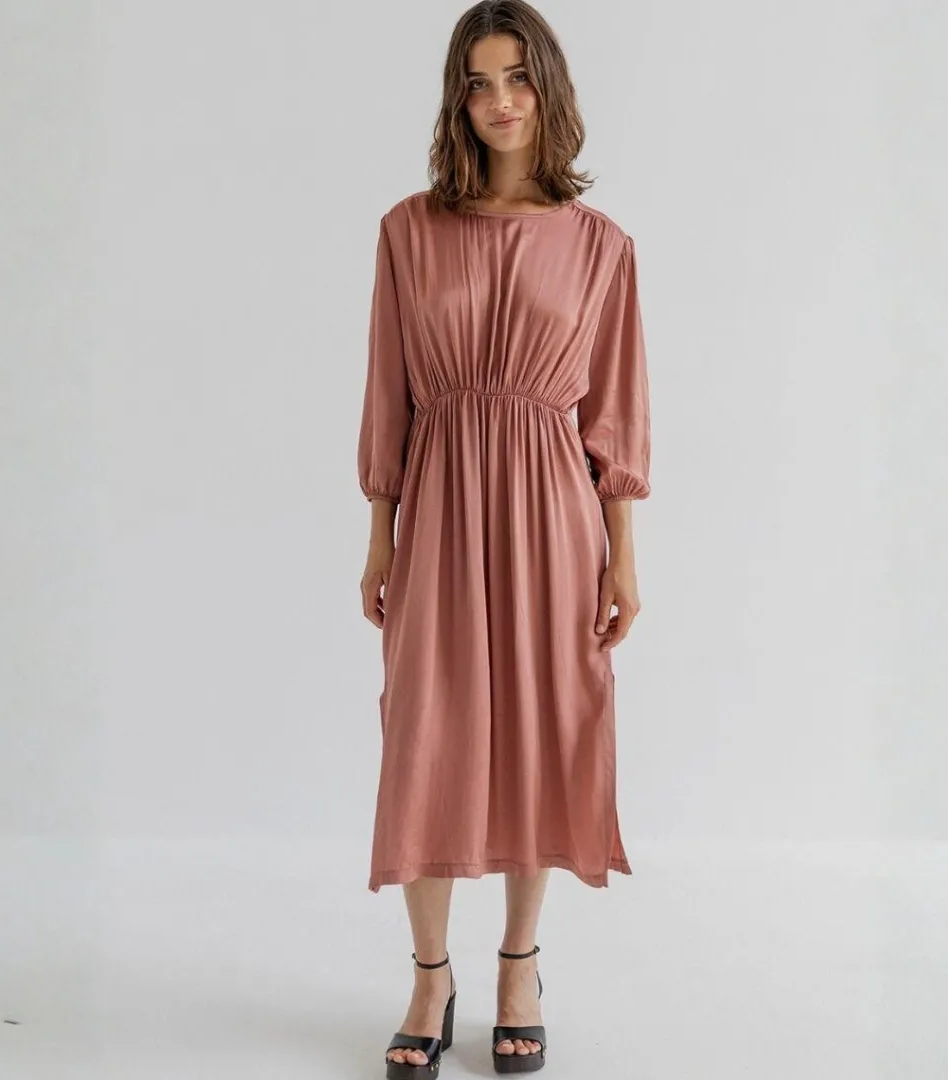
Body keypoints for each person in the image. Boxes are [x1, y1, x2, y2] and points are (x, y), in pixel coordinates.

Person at [356, 2, 651, 1075]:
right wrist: (380, 533)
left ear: (549, 88)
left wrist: (622, 555)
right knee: (426, 730)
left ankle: (519, 966)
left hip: (553, 517)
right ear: (457, 100)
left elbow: (613, 413)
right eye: (477, 82)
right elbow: (388, 393)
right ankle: (429, 975)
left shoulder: (600, 246)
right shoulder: (408, 230)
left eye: (518, 77)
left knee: (539, 728)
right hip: (438, 506)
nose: (500, 101)